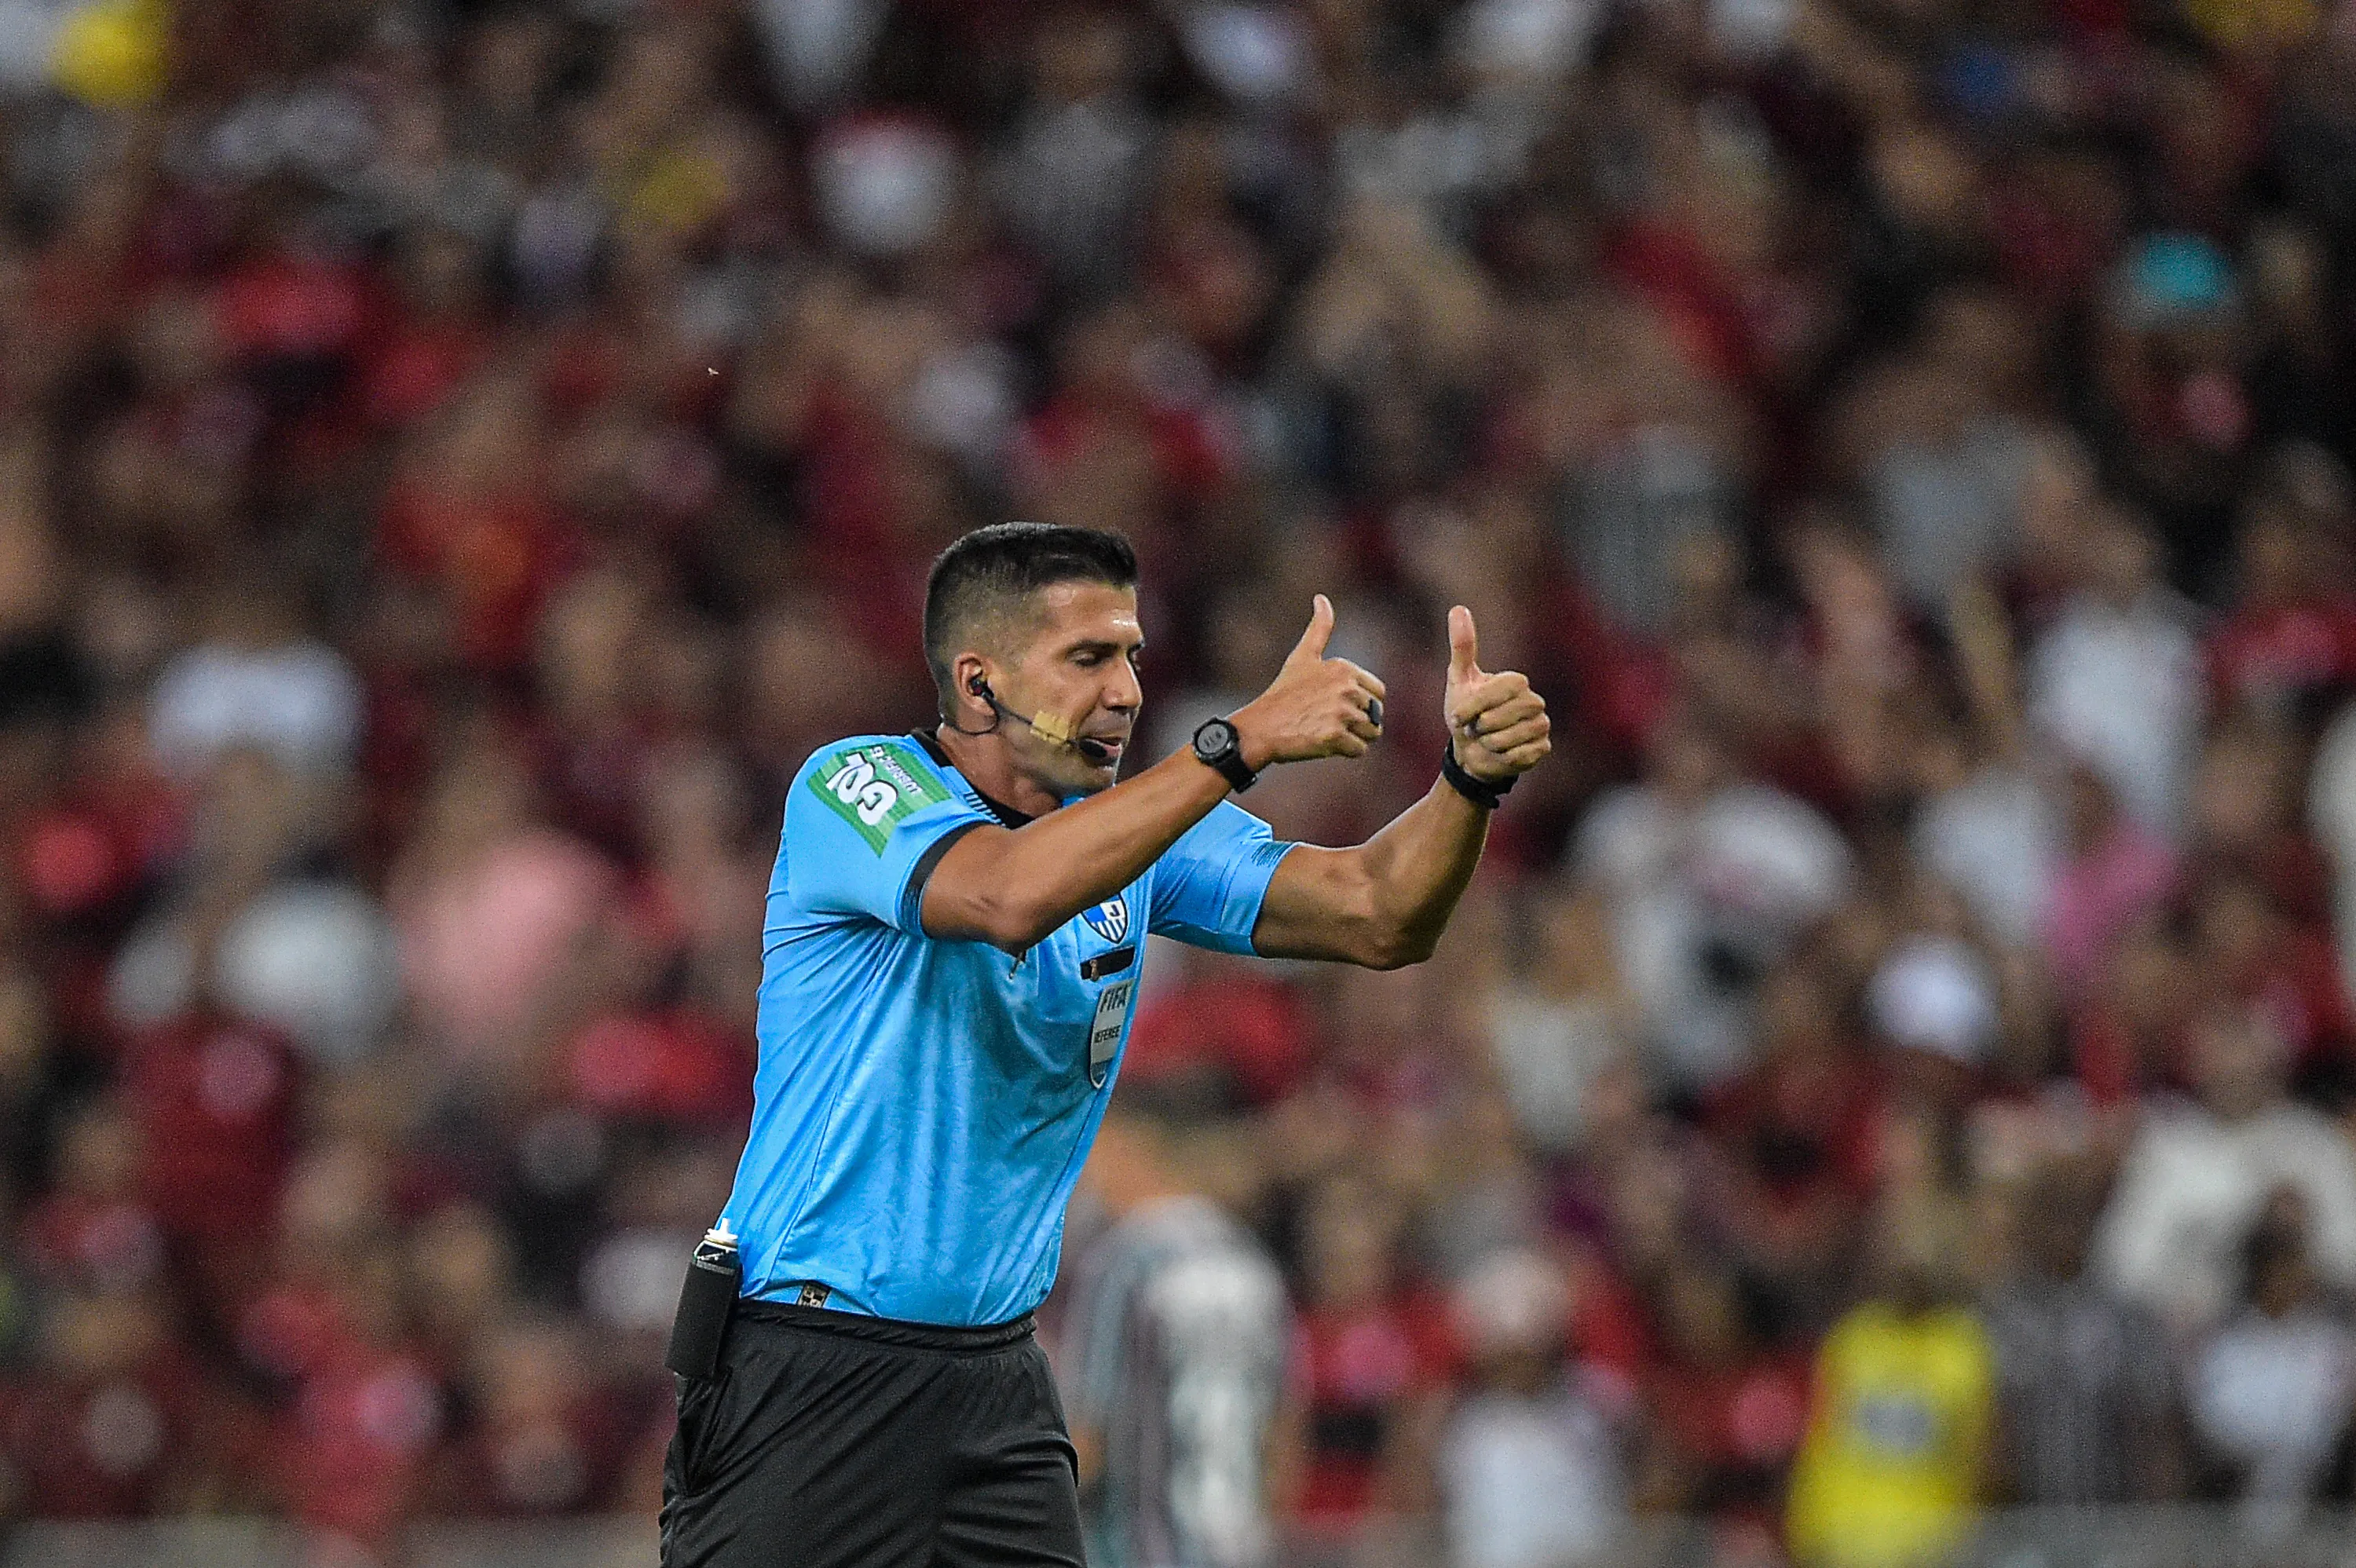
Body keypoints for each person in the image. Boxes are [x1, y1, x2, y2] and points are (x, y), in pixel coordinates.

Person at [659, 521, 1550, 1568]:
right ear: (980, 683)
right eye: (1087, 658)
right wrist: (1239, 743)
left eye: (1131, 653)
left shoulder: (1132, 830)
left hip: (995, 1380)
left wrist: (1466, 782)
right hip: (811, 1372)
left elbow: (1378, 911)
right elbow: (1003, 893)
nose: (1126, 689)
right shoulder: (855, 788)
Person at [1057, 1102, 1292, 1568]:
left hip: (1140, 1549)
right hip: (1238, 1547)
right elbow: (1284, 1433)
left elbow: (1087, 1439)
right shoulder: (1251, 1263)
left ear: (1136, 1154)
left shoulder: (1122, 1265)